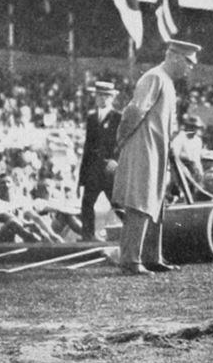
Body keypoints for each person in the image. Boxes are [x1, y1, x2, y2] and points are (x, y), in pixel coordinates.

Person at [112, 39, 201, 275]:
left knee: (156, 203)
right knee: (140, 203)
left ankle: (152, 256)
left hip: (159, 149)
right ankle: (130, 260)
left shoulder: (167, 82)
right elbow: (134, 110)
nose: (190, 68)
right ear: (173, 56)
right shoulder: (154, 77)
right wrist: (121, 138)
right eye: (188, 62)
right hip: (144, 147)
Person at [77, 81, 122, 241]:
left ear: (112, 98)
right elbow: (87, 148)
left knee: (118, 204)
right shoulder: (91, 118)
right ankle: (88, 237)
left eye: (105, 96)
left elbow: (122, 144)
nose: (101, 99)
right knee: (87, 204)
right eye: (99, 95)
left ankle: (134, 236)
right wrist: (81, 179)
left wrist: (115, 162)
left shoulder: (119, 117)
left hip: (110, 170)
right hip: (92, 171)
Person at [0, 172, 64, 243]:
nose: (6, 185)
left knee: (35, 224)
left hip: (18, 240)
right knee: (13, 222)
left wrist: (52, 234)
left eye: (8, 182)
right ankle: (37, 242)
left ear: (13, 184)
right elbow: (10, 219)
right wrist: (33, 226)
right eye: (2, 183)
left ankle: (46, 242)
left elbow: (36, 217)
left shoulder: (20, 199)